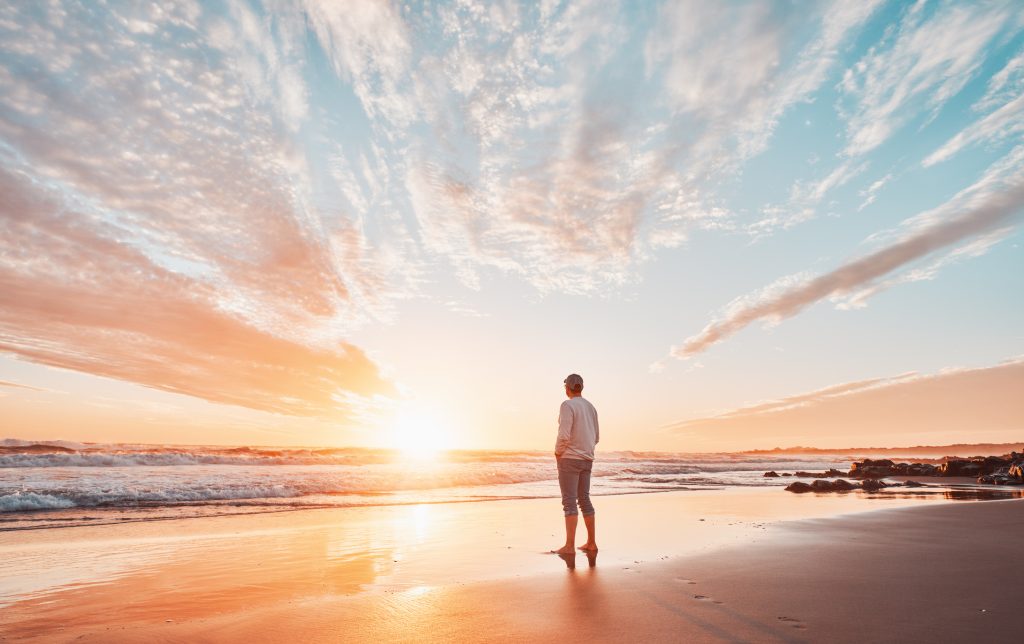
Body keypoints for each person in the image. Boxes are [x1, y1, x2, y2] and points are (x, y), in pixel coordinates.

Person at [551, 373, 599, 555]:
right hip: (587, 459)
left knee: (569, 502)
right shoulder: (591, 407)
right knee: (584, 500)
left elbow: (564, 435)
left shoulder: (567, 405)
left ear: (567, 388)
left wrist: (558, 452)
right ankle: (591, 543)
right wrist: (586, 451)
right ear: (581, 387)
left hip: (569, 458)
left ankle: (569, 546)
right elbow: (596, 437)